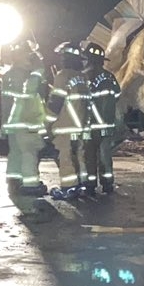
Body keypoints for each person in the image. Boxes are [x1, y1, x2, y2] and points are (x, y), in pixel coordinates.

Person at [1, 41, 49, 196]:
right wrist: (39, 68)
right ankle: (31, 185)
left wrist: (4, 124)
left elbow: (6, 102)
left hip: (13, 122)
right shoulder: (28, 76)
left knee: (15, 152)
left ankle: (14, 182)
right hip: (27, 121)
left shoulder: (9, 75)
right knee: (29, 152)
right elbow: (30, 91)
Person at [47, 41, 91, 195]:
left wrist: (47, 123)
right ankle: (82, 184)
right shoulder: (83, 78)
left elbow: (55, 102)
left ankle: (68, 188)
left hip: (65, 125)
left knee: (65, 156)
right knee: (80, 155)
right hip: (81, 126)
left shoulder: (62, 75)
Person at [85, 43, 120, 193]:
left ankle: (90, 184)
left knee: (90, 155)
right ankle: (107, 183)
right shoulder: (110, 77)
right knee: (105, 154)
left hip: (90, 124)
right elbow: (117, 94)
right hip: (107, 124)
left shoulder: (84, 76)